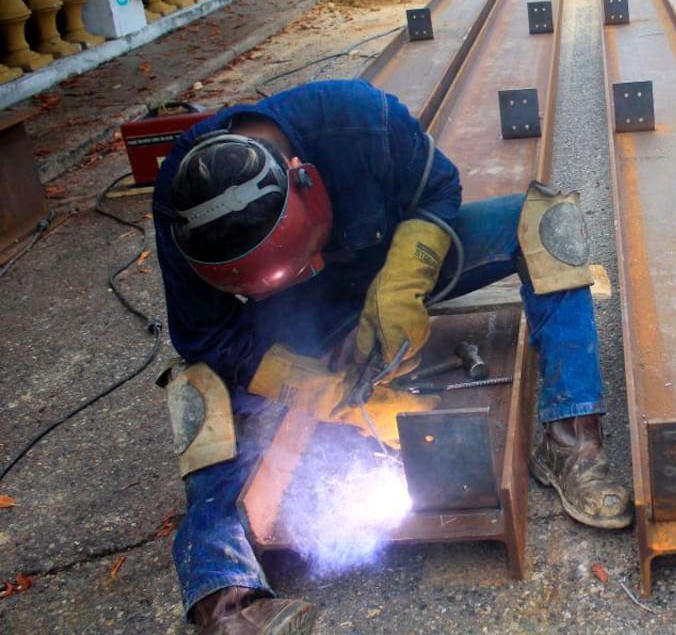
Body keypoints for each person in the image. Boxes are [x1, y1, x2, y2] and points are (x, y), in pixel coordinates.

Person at [152, 79, 631, 634]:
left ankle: (571, 443)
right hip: (303, 318)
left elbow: (439, 188)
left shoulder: (361, 120)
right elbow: (204, 336)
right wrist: (317, 389)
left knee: (548, 222)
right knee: (199, 388)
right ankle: (226, 601)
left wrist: (406, 277)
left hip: (391, 268)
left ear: (303, 180)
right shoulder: (182, 201)